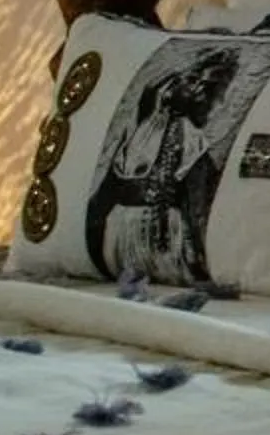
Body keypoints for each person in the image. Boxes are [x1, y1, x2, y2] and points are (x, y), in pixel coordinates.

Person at [85, 46, 238, 283]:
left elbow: (197, 207)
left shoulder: (184, 139)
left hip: (143, 239)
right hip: (128, 238)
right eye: (193, 82)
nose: (199, 92)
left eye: (207, 88)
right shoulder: (145, 133)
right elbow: (105, 195)